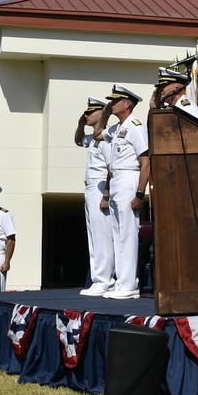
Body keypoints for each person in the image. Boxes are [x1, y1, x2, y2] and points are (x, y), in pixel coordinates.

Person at [92, 84, 149, 300]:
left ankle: (129, 284)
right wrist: (104, 115)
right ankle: (121, 282)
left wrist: (140, 194)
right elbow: (97, 133)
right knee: (117, 234)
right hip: (115, 180)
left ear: (127, 104)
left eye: (116, 101)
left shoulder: (135, 126)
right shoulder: (115, 129)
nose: (111, 104)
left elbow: (145, 162)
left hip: (128, 178)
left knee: (127, 233)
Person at [75, 96, 114, 296]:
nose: (87, 115)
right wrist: (80, 124)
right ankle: (98, 278)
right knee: (93, 236)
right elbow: (77, 140)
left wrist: (106, 194)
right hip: (90, 187)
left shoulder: (107, 137)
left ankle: (106, 280)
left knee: (103, 235)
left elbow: (110, 168)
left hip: (100, 188)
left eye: (91, 112)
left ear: (101, 113)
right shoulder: (91, 138)